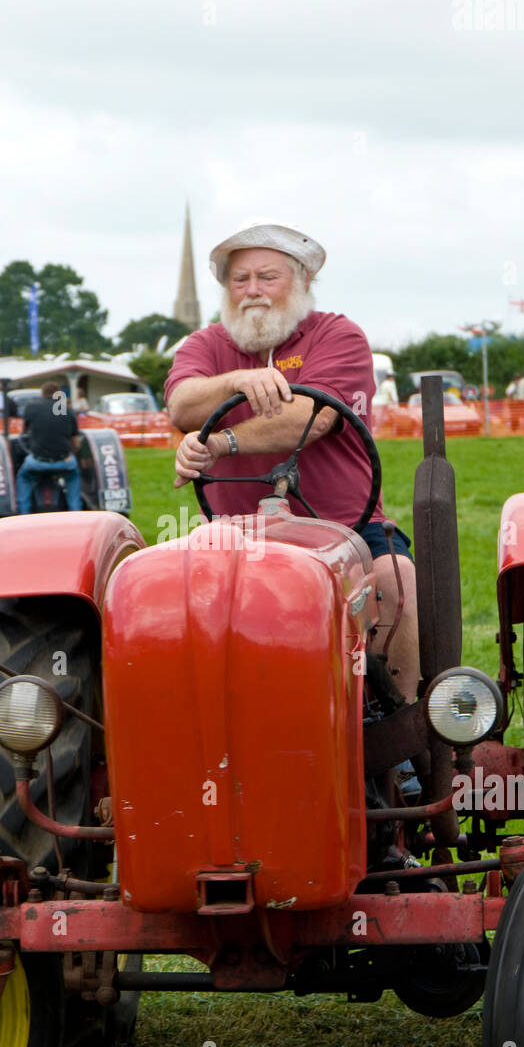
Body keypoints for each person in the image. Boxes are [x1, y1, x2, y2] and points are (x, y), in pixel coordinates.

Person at [164, 219, 420, 703]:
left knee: (395, 579)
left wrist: (219, 444)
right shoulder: (204, 346)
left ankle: (397, 730)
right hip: (232, 529)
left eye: (267, 277)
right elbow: (182, 404)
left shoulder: (337, 335)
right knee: (160, 595)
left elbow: (313, 417)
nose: (252, 290)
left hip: (343, 525)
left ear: (302, 281)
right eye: (240, 280)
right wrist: (237, 380)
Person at [16, 381, 82, 514]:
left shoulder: (32, 407)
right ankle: (76, 512)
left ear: (42, 394)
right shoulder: (68, 411)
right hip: (64, 462)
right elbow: (76, 443)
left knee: (23, 477)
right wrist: (71, 454)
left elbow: (24, 432)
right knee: (73, 476)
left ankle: (23, 514)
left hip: (37, 463)